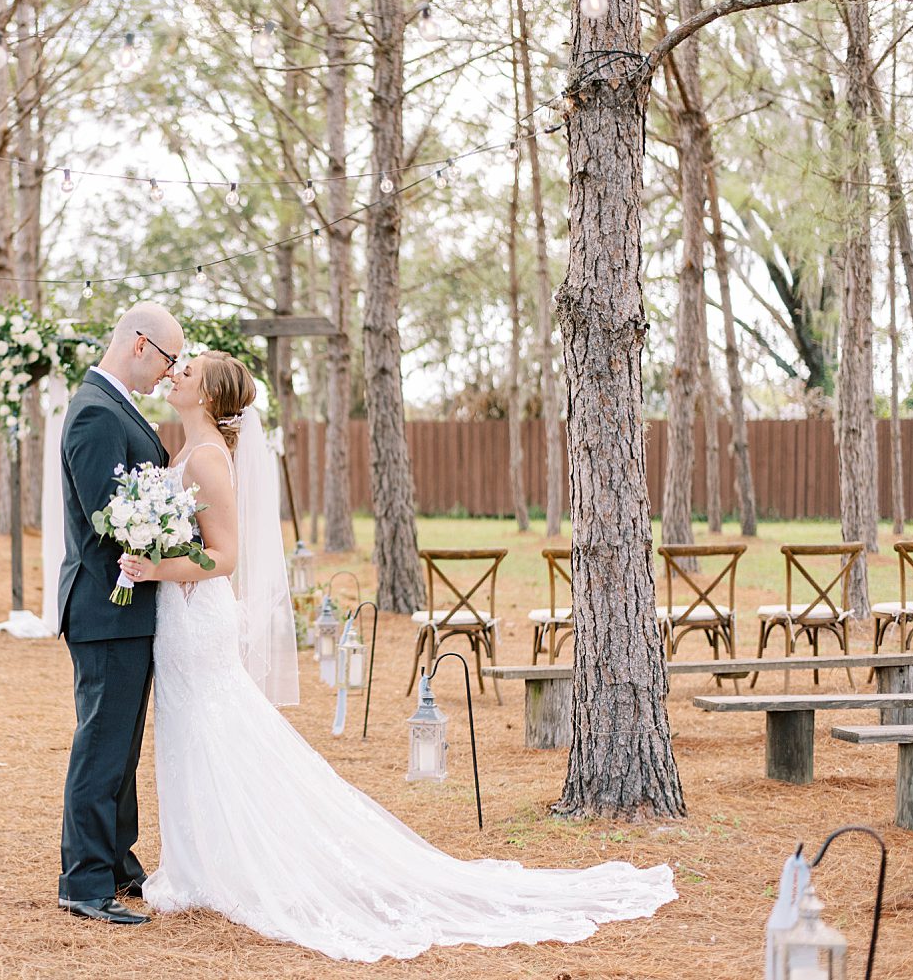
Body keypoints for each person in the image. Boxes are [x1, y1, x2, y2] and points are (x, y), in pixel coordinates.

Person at [116, 350, 677, 961]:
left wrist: (153, 567)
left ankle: (224, 868)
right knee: (190, 733)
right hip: (179, 614)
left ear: (210, 396)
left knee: (212, 730)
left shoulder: (205, 460)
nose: (176, 374)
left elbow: (224, 557)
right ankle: (200, 863)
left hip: (198, 615)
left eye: (188, 371)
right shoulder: (183, 453)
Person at [55, 301, 184, 926]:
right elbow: (108, 518)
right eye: (167, 359)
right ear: (138, 344)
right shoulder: (94, 413)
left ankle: (116, 862)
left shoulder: (119, 407)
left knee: (122, 745)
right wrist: (168, 541)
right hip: (107, 604)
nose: (168, 371)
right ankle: (83, 881)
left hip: (129, 607)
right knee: (102, 745)